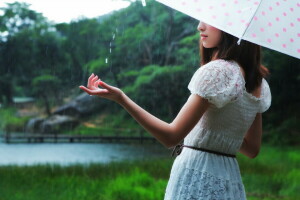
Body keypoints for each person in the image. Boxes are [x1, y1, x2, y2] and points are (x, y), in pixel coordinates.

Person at [79, 21, 271, 200]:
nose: (200, 27)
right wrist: (220, 135)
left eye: (209, 21)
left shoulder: (219, 72)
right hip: (229, 176)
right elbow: (252, 149)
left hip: (198, 173)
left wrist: (121, 99)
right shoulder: (258, 83)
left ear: (231, 26)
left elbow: (171, 137)